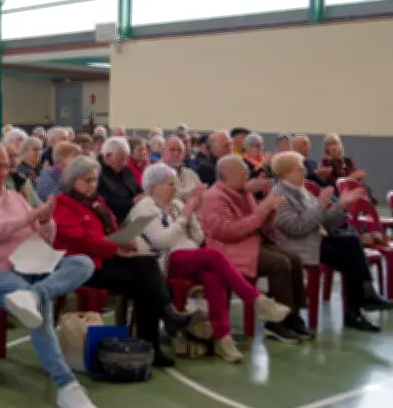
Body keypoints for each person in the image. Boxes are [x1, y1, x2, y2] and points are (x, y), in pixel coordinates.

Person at [0, 144, 99, 408]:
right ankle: (65, 385)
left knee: (83, 263)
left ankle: (34, 294)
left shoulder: (15, 197)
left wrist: (45, 222)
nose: (4, 172)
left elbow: (43, 237)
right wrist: (27, 217)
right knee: (38, 307)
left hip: (31, 263)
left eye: (7, 166)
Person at [131, 163, 290, 362]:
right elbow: (162, 242)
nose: (176, 188)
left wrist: (193, 216)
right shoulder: (145, 208)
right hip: (163, 260)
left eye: (176, 183)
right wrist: (185, 217)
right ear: (154, 187)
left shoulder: (178, 204)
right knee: (214, 256)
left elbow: (198, 237)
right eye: (170, 184)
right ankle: (256, 300)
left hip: (190, 255)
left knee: (213, 276)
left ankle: (222, 338)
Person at [52, 157, 193, 367]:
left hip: (107, 257)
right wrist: (116, 247)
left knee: (147, 265)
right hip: (83, 265)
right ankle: (160, 327)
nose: (92, 185)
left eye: (94, 180)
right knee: (147, 283)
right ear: (72, 181)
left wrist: (125, 242)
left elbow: (112, 228)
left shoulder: (96, 202)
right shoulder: (62, 204)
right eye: (86, 180)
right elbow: (83, 240)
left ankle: (158, 332)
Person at [270, 152, 392, 331]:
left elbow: (324, 221)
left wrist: (341, 206)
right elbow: (297, 227)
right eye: (299, 169)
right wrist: (320, 204)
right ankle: (359, 304)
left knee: (350, 244)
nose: (304, 171)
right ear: (284, 174)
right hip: (299, 246)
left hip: (316, 240)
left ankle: (360, 302)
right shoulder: (279, 196)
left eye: (304, 167)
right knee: (351, 254)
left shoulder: (301, 190)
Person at [199, 155, 311, 344]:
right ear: (226, 175)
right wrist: (262, 211)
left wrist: (270, 210)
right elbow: (228, 232)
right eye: (242, 170)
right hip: (229, 250)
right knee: (280, 264)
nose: (247, 173)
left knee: (294, 259)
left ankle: (292, 314)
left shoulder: (244, 192)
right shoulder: (214, 197)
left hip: (251, 243)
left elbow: (260, 225)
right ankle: (276, 323)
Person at [97, 137, 143, 223]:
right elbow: (106, 204)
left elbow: (137, 190)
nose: (124, 163)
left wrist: (142, 196)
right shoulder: (98, 175)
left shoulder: (126, 170)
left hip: (135, 216)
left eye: (125, 159)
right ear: (107, 156)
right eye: (121, 160)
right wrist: (132, 202)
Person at [161, 136, 202, 201]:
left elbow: (201, 194)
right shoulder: (157, 173)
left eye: (179, 150)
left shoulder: (191, 174)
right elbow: (168, 196)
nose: (176, 153)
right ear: (163, 152)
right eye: (172, 150)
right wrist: (192, 193)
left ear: (184, 154)